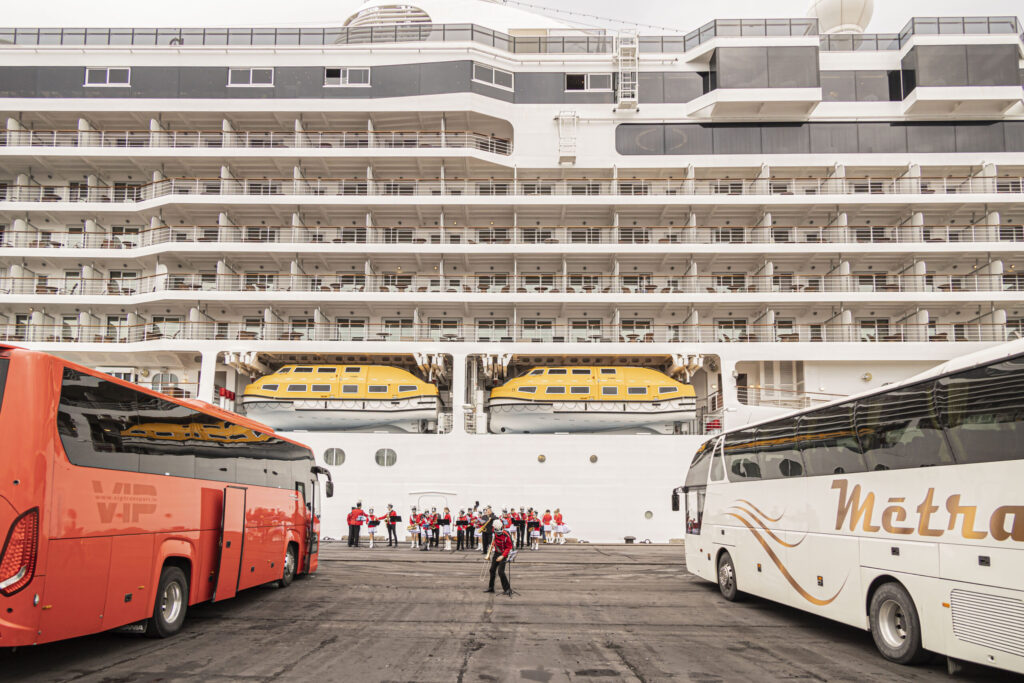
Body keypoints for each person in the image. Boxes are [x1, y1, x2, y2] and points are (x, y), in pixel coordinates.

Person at [483, 519, 514, 596]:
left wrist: (502, 556)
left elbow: (509, 547)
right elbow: (495, 540)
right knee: (492, 570)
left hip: (503, 554)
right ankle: (491, 588)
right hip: (496, 553)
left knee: (501, 572)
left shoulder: (506, 535)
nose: (495, 530)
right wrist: (492, 546)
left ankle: (507, 589)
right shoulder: (495, 532)